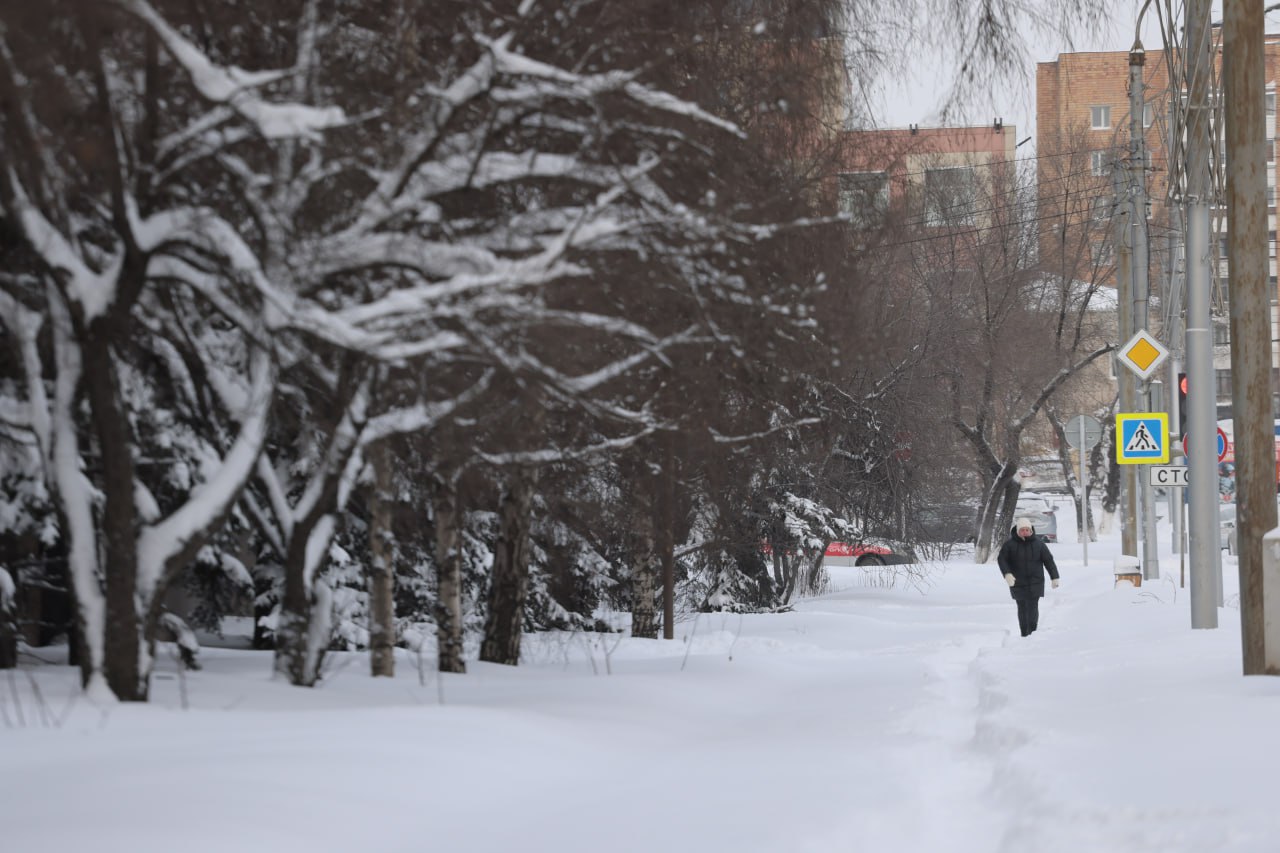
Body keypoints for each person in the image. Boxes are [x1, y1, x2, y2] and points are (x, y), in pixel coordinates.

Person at [997, 517, 1060, 638]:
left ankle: (1032, 632)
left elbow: (1049, 561)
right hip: (1017, 582)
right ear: (1018, 531)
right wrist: (1007, 574)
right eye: (1022, 530)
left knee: (1032, 606)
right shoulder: (1010, 545)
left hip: (1035, 582)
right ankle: (1024, 633)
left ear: (1031, 530)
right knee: (1022, 607)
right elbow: (1002, 560)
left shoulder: (1039, 544)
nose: (1025, 532)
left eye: (1027, 529)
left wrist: (1054, 577)